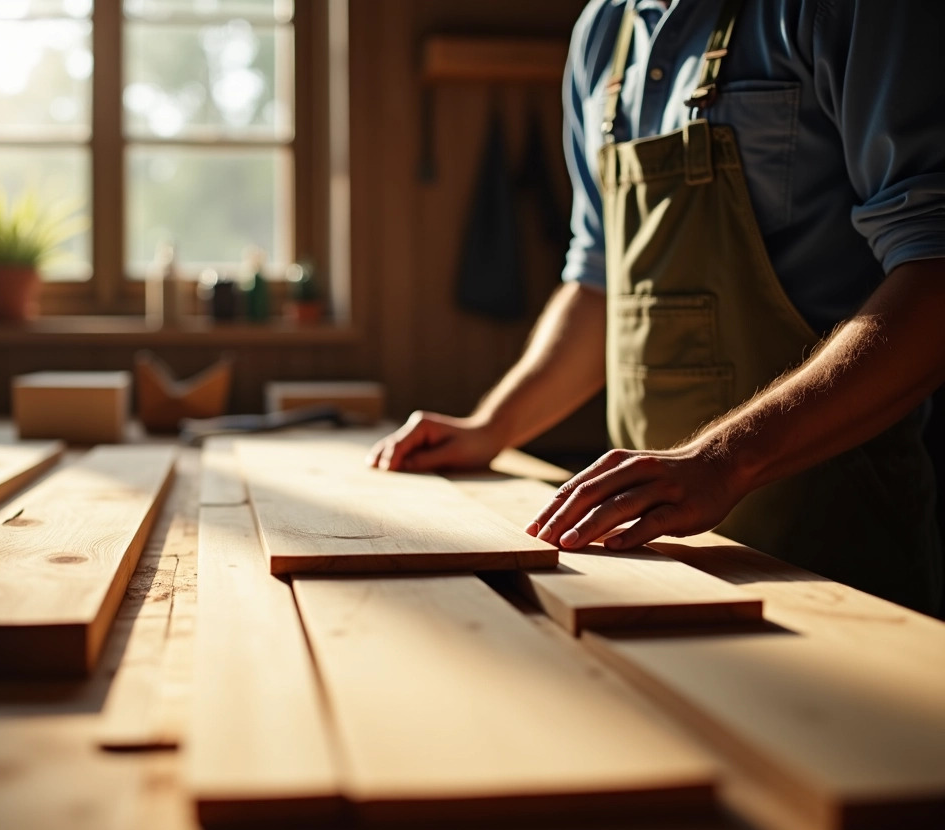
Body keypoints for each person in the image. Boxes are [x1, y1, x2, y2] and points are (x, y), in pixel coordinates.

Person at [369, 0, 945, 614]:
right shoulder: (604, 31)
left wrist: (722, 462)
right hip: (659, 553)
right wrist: (493, 426)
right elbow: (599, 278)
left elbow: (933, 270)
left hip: (836, 547)